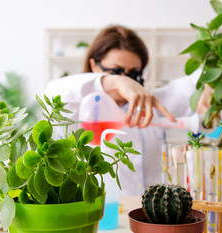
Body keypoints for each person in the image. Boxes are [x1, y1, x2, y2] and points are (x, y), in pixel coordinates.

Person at [44, 25, 212, 196]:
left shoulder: (153, 103)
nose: (127, 79)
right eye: (116, 71)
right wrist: (116, 82)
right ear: (94, 65)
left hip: (151, 214)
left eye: (134, 74)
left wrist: (210, 84)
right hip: (104, 218)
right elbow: (52, 93)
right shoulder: (79, 108)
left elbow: (198, 79)